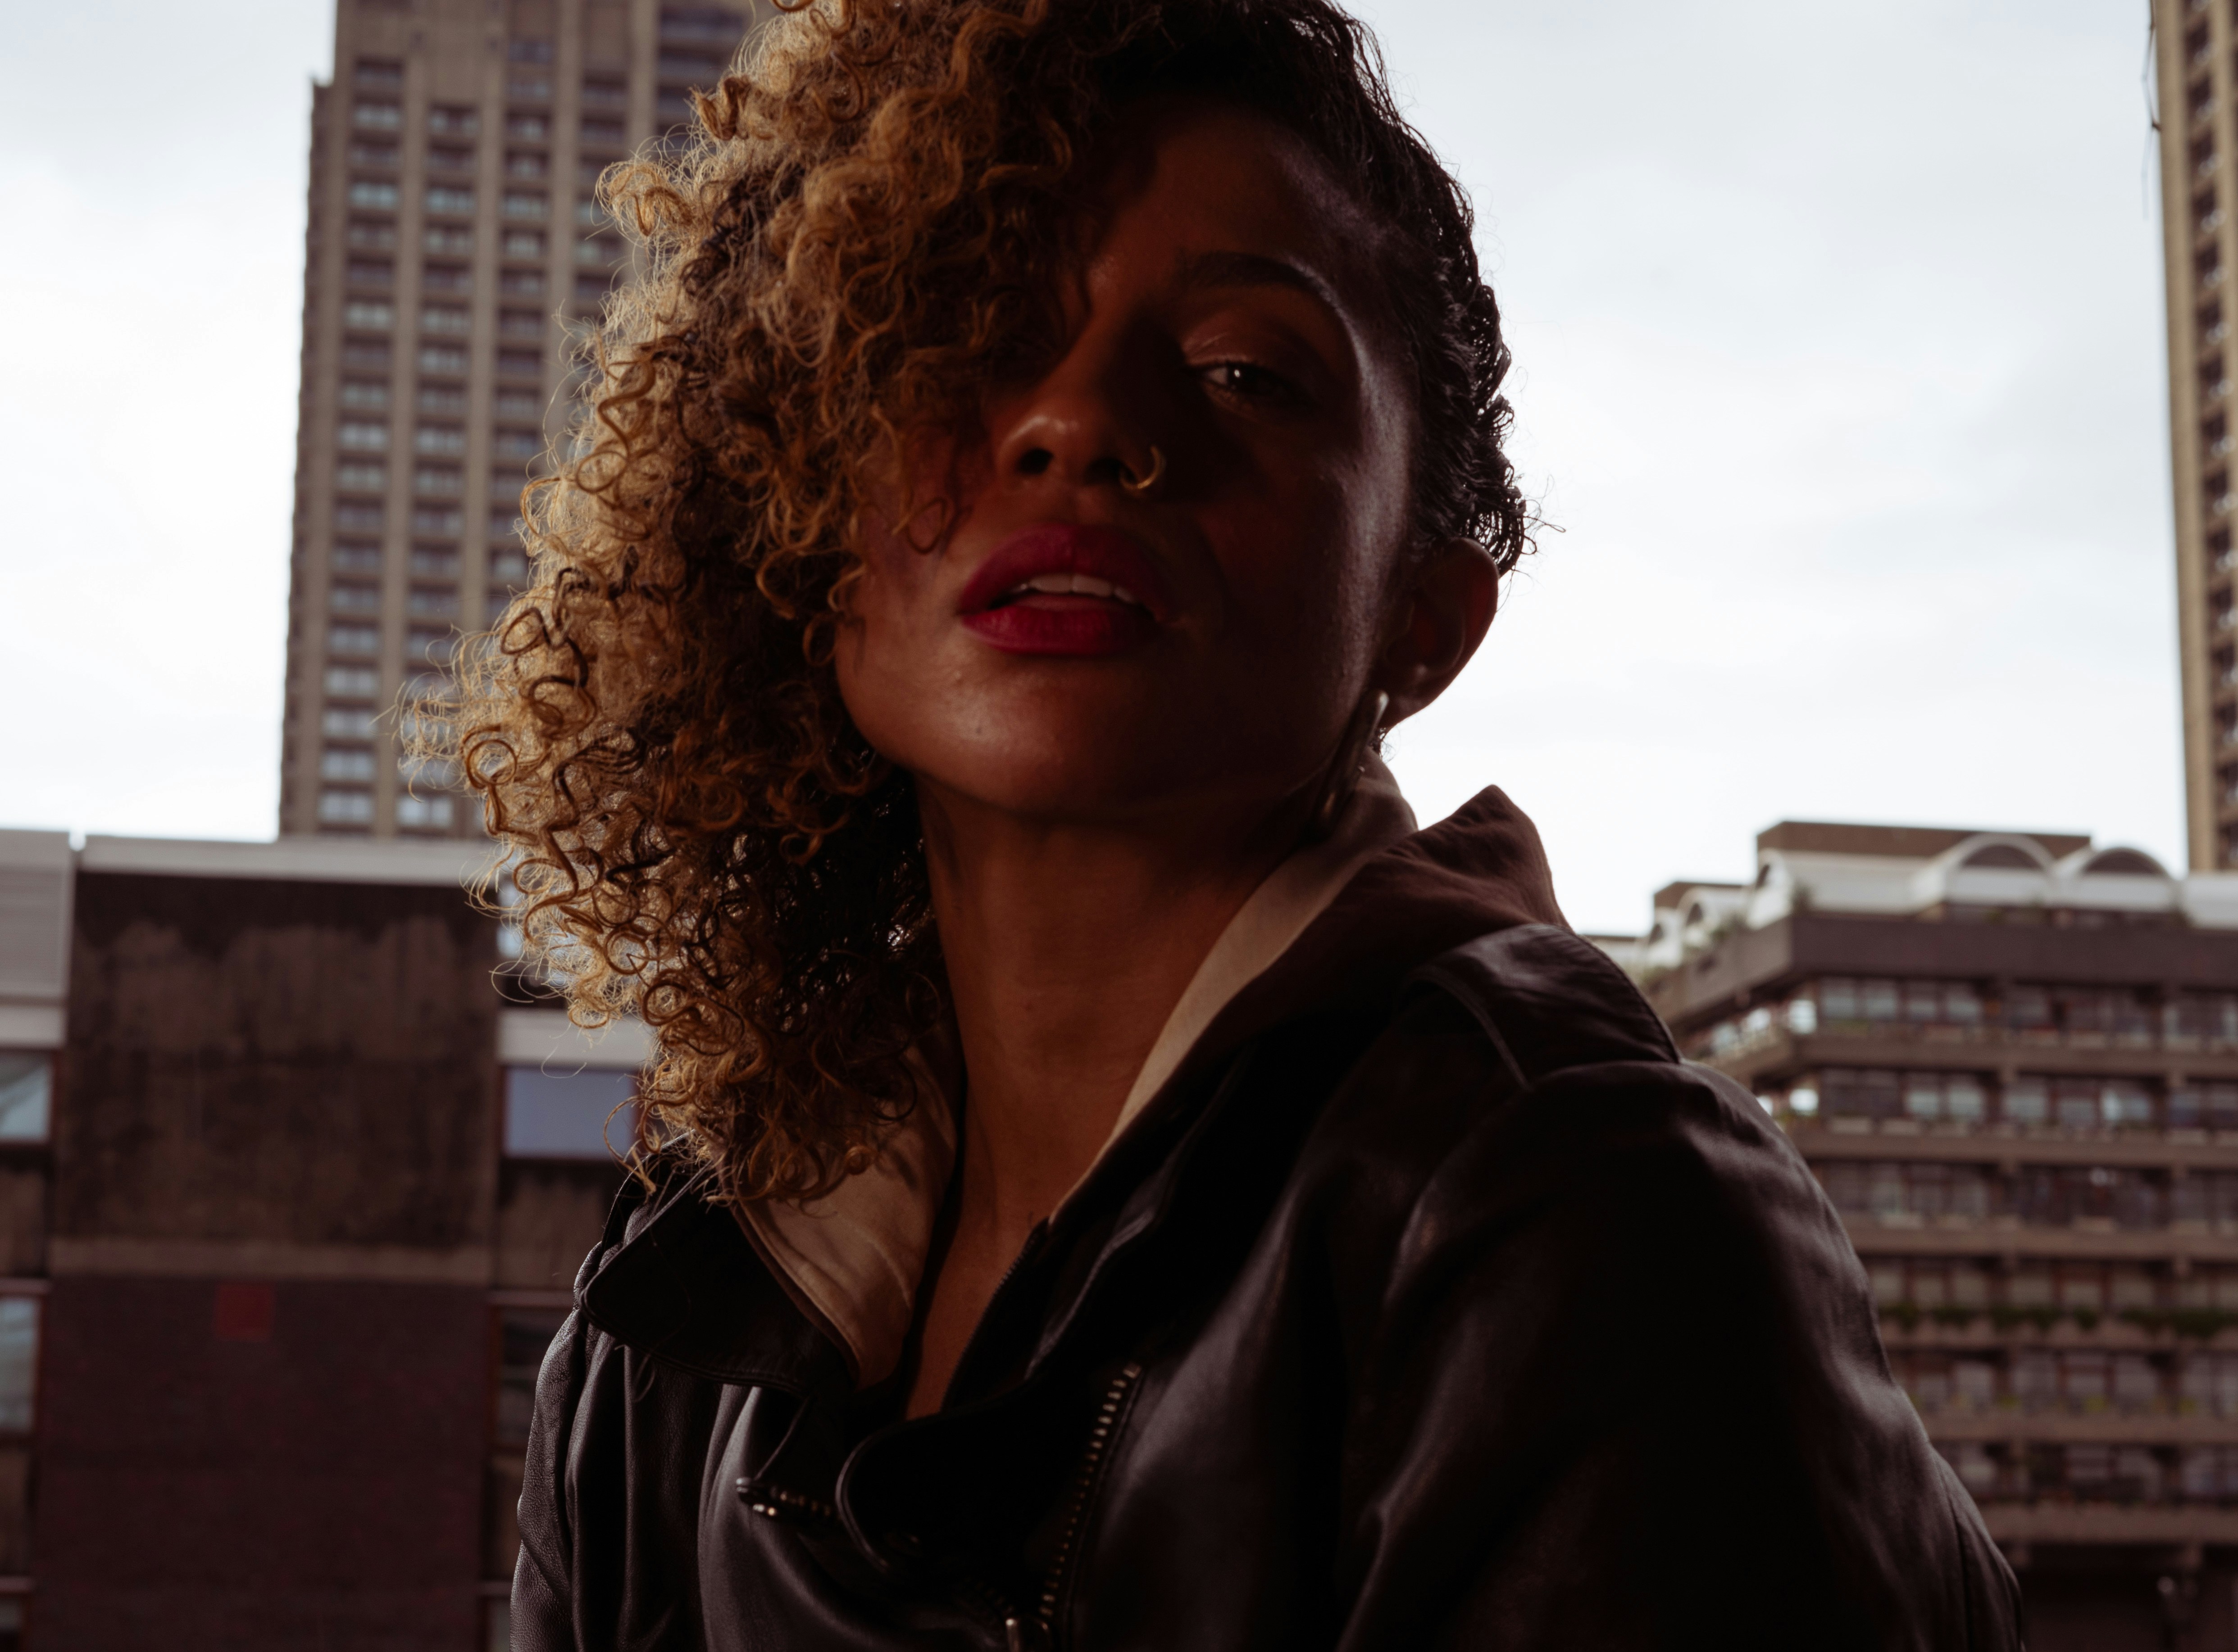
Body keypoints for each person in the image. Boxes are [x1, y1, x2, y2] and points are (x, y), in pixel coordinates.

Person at [461, 0, 2021, 1644]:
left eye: (1245, 373)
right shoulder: (671, 1315)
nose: (1079, 423)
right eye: (969, 337)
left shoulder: (1589, 1222)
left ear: (1422, 620)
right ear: (797, 517)